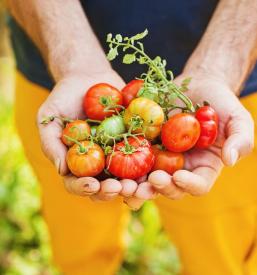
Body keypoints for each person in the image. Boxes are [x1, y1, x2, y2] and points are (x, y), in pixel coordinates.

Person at [6, 0, 257, 274]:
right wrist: (71, 60)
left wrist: (219, 67)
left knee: (219, 248)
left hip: (228, 82)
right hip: (57, 70)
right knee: (76, 234)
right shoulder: (80, 127)